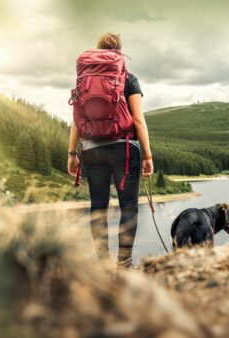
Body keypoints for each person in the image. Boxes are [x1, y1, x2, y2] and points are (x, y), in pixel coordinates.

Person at [67, 33, 154, 268]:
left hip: (91, 151)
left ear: (97, 51)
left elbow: (77, 119)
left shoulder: (84, 80)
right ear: (119, 52)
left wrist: (72, 153)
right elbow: (138, 120)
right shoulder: (129, 79)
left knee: (98, 208)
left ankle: (102, 265)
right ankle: (124, 264)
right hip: (124, 150)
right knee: (129, 207)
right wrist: (147, 155)